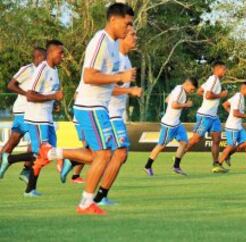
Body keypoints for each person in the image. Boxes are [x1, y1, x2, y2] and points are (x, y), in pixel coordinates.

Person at [73, 3, 135, 215]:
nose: (129, 29)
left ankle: (53, 153)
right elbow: (89, 76)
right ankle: (85, 204)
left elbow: (110, 80)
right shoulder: (101, 40)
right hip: (90, 105)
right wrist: (120, 78)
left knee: (100, 155)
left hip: (99, 107)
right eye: (127, 24)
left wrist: (122, 80)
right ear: (113, 20)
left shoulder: (115, 48)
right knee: (103, 155)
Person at [23, 40, 65, 196]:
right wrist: (53, 96)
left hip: (47, 118)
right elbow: (30, 95)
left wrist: (53, 103)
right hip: (37, 118)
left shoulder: (54, 70)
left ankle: (30, 187)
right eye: (60, 52)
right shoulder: (42, 69)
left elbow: (45, 93)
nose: (62, 56)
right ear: (52, 52)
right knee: (43, 153)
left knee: (47, 154)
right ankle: (29, 188)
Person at [0, 47, 46, 183]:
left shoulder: (43, 72)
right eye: (44, 58)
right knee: (13, 141)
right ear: (37, 58)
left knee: (37, 142)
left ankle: (26, 169)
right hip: (23, 110)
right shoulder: (28, 69)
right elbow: (11, 85)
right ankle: (4, 165)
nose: (45, 61)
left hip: (36, 112)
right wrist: (27, 94)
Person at [144, 78, 198, 176]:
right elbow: (173, 105)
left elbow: (167, 99)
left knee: (184, 143)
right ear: (187, 84)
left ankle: (176, 166)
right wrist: (186, 104)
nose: (192, 91)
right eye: (192, 89)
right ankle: (147, 166)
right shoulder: (179, 90)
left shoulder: (178, 88)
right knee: (161, 146)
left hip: (176, 123)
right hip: (168, 124)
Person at [181, 61, 228, 168]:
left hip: (213, 116)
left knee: (216, 139)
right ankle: (178, 156)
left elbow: (200, 91)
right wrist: (221, 95)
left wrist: (211, 95)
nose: (225, 71)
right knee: (196, 139)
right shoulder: (214, 79)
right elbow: (207, 95)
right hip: (205, 115)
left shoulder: (213, 80)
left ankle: (216, 164)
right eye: (224, 69)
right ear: (217, 69)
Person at [213, 81, 246, 173]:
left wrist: (231, 114)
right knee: (230, 146)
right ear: (243, 89)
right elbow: (236, 113)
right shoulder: (238, 97)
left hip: (238, 126)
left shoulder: (239, 97)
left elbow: (225, 104)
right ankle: (218, 165)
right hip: (232, 126)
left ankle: (228, 155)